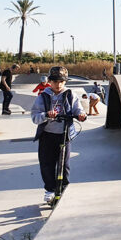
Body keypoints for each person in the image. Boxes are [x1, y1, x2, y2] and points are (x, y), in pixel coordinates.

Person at [30, 66, 87, 203]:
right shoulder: (43, 97)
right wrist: (46, 115)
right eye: (55, 81)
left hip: (64, 134)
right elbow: (34, 117)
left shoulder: (70, 95)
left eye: (61, 81)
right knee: (46, 163)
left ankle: (63, 188)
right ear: (49, 81)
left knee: (64, 164)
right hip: (47, 135)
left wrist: (81, 115)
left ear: (65, 82)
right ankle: (50, 189)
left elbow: (78, 109)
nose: (58, 84)